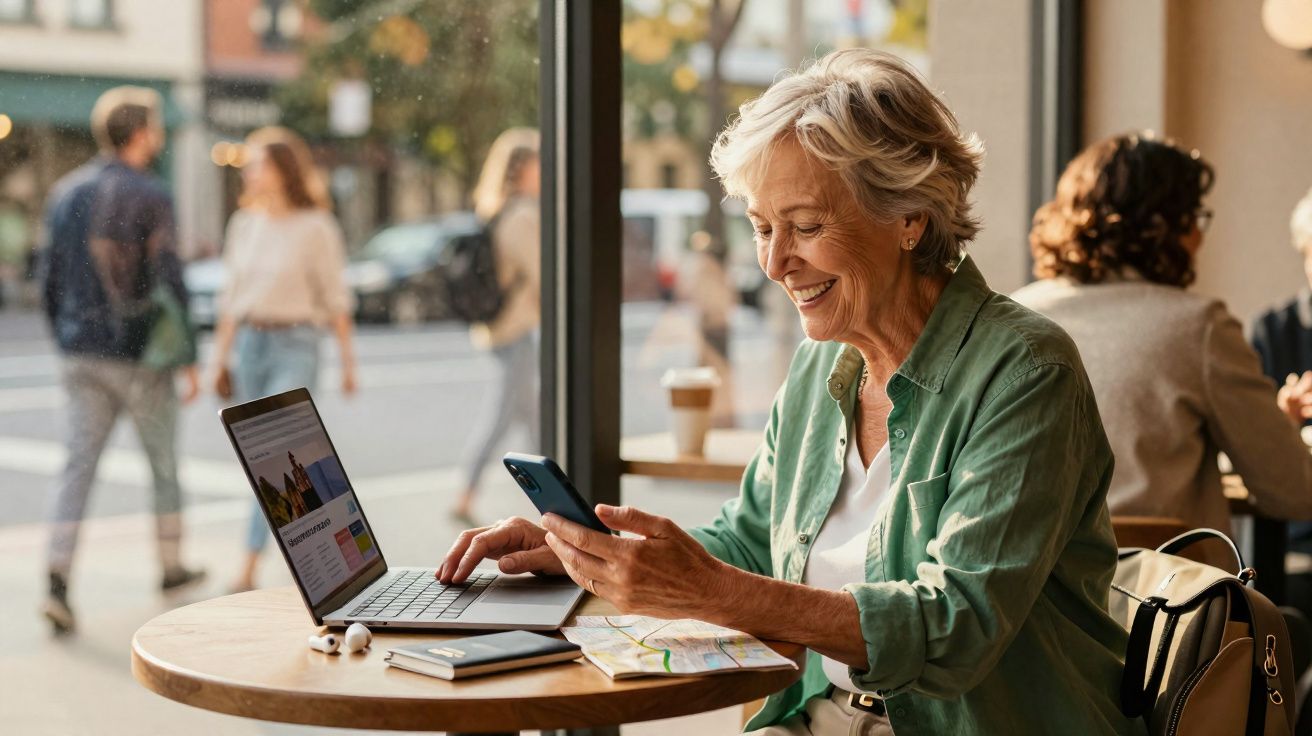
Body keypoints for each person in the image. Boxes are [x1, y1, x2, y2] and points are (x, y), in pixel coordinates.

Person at [437, 50, 1141, 735]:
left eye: (805, 227)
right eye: (761, 227)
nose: (775, 263)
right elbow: (747, 544)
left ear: (910, 218)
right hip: (818, 717)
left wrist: (706, 589)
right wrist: (591, 549)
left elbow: (956, 627)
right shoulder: (820, 366)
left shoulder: (1025, 372)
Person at [1013, 133, 1312, 533]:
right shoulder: (1198, 327)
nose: (1200, 238)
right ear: (1162, 228)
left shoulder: (1015, 315)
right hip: (1163, 588)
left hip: (1034, 589)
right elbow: (1293, 490)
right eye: (1195, 219)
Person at [38, 86, 204, 634]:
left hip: (80, 351)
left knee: (77, 466)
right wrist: (188, 352)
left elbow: (49, 280)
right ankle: (171, 566)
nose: (157, 137)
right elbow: (170, 276)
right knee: (163, 466)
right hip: (140, 355)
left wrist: (64, 335)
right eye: (154, 127)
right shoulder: (152, 195)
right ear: (140, 134)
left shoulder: (65, 192)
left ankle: (57, 579)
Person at [207, 127, 358, 593]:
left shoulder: (316, 226)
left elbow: (335, 299)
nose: (248, 172)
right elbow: (231, 299)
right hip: (251, 344)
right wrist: (220, 358)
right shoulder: (244, 225)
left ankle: (254, 564)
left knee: (279, 458)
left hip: (297, 343)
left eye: (257, 163)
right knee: (263, 461)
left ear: (282, 170)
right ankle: (323, 560)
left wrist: (349, 363)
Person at [449, 128, 541, 526]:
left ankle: (556, 495)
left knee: (535, 415)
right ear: (523, 168)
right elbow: (542, 276)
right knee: (504, 416)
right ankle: (465, 492)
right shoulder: (522, 214)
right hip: (515, 331)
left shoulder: (495, 210)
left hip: (497, 330)